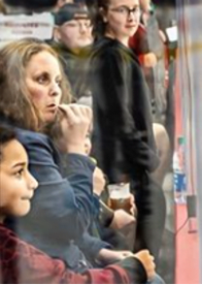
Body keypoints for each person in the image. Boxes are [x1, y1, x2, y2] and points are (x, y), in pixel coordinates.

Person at [0, 39, 133, 270]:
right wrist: (77, 151)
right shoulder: (27, 142)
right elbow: (70, 223)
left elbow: (46, 223)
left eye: (58, 81)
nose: (56, 90)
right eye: (42, 79)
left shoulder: (29, 134)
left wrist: (98, 250)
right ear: (12, 87)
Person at [0, 125, 155, 283]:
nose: (33, 183)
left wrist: (99, 251)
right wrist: (131, 270)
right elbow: (64, 279)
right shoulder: (9, 249)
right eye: (18, 172)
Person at [89, 0, 165, 260]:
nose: (131, 16)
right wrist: (148, 158)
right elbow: (120, 120)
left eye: (134, 9)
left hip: (126, 167)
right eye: (122, 10)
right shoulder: (110, 56)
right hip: (122, 170)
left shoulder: (117, 52)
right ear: (104, 14)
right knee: (132, 246)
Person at [51, 4, 94, 102]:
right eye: (73, 25)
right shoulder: (50, 61)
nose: (83, 30)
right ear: (57, 32)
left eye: (87, 25)